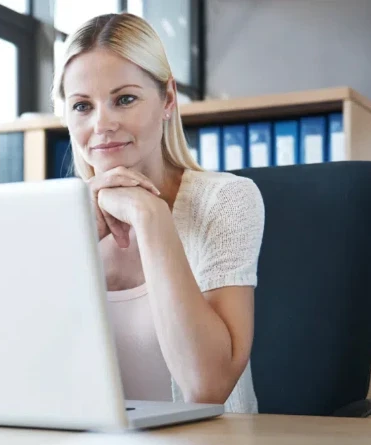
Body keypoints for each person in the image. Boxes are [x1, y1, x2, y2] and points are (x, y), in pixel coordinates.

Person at [52, 13, 264, 413]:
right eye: (82, 105)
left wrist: (151, 218)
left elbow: (207, 388)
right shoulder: (60, 219)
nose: (103, 124)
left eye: (124, 99)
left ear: (168, 99)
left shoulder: (227, 201)